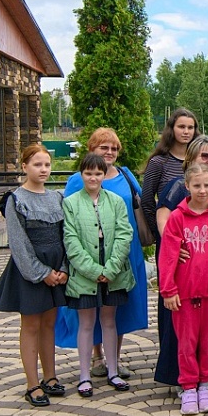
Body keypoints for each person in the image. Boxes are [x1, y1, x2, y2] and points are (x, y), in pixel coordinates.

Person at [55, 128, 148, 380]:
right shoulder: (78, 180)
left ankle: (114, 361)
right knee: (91, 306)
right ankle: (97, 358)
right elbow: (69, 220)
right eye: (103, 147)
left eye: (114, 148)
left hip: (125, 253)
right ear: (91, 149)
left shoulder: (126, 175)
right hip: (90, 256)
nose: (109, 152)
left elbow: (142, 204)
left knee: (118, 309)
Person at [0, 146, 68, 407]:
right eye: (37, 164)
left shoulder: (56, 197)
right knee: (31, 325)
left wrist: (63, 269)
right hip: (30, 272)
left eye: (46, 165)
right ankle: (32, 383)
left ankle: (51, 376)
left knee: (49, 323)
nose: (43, 170)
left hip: (57, 269)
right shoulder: (15, 199)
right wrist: (42, 273)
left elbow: (65, 234)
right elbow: (19, 244)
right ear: (25, 166)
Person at [154, 135, 208, 388]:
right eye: (205, 156)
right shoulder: (179, 186)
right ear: (191, 158)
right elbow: (163, 217)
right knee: (183, 335)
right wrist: (177, 246)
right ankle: (183, 381)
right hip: (185, 274)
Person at [62, 154, 135, 397]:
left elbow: (125, 234)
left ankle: (113, 371)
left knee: (109, 321)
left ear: (104, 175)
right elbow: (70, 241)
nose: (93, 178)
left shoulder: (115, 201)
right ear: (81, 175)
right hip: (85, 274)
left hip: (113, 271)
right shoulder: (71, 202)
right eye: (88, 173)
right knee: (85, 323)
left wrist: (112, 268)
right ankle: (84, 375)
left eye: (98, 173)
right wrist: (93, 271)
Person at [141, 108, 199, 243]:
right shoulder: (159, 162)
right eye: (181, 127)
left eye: (190, 127)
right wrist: (159, 233)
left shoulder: (199, 162)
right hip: (168, 235)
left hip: (196, 235)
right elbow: (147, 201)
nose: (186, 131)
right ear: (171, 129)